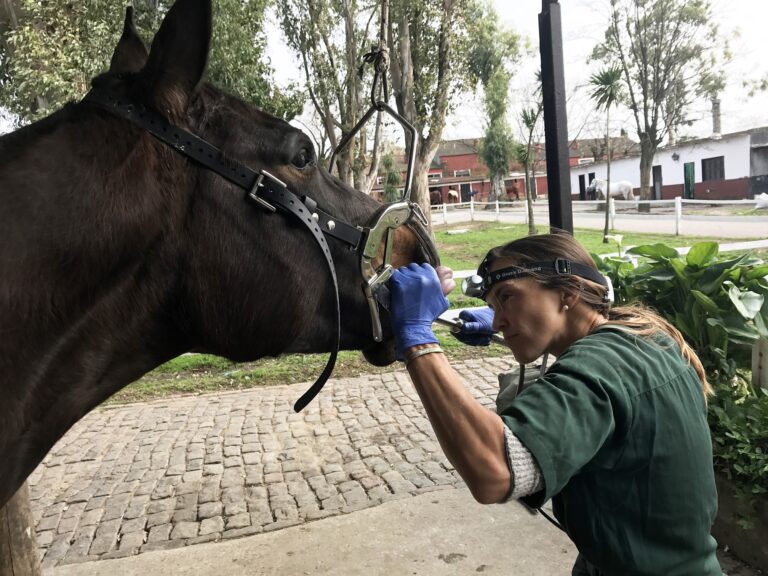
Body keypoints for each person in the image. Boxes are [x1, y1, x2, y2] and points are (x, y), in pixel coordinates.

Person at [388, 233, 721, 576]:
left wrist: (417, 338)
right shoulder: (645, 337)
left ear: (568, 293)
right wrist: (512, 320)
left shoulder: (602, 366)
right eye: (493, 308)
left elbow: (495, 471)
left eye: (507, 297)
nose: (498, 320)